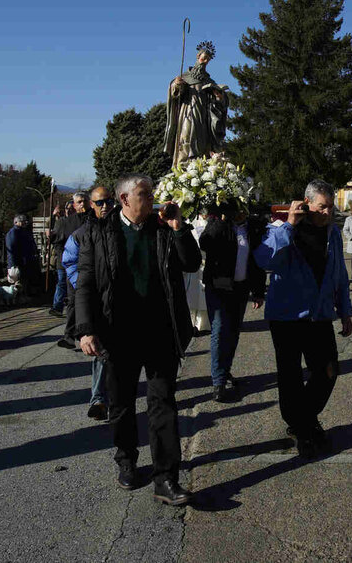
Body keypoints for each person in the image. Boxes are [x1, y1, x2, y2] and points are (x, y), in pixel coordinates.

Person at [75, 174, 201, 506]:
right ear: (125, 199)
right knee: (121, 405)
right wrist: (86, 329)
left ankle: (166, 478)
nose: (153, 198)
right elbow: (85, 283)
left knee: (163, 405)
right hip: (119, 334)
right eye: (145, 194)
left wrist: (179, 227)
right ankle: (127, 459)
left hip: (160, 332)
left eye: (151, 192)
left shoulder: (164, 229)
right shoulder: (99, 233)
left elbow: (192, 263)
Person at [253, 179, 352, 459]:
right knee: (290, 376)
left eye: (330, 208)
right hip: (286, 317)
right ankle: (303, 427)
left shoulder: (333, 233)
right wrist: (288, 225)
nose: (326, 213)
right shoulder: (283, 227)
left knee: (328, 369)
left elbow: (339, 275)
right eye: (322, 207)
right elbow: (264, 260)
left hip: (319, 314)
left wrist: (344, 310)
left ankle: (303, 421)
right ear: (307, 204)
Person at [198, 202, 267, 402]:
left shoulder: (253, 228)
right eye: (235, 209)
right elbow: (205, 244)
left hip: (241, 288)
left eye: (243, 209)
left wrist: (258, 291)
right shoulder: (218, 224)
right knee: (219, 330)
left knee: (234, 331)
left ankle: (225, 369)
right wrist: (218, 220)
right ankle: (218, 381)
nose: (240, 213)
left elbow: (257, 261)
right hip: (218, 286)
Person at [63, 186, 116, 420]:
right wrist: (83, 284)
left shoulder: (121, 230)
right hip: (93, 299)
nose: (105, 206)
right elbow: (70, 263)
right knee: (100, 351)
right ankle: (99, 398)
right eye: (99, 202)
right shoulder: (82, 233)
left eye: (108, 201)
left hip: (116, 301)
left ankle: (107, 397)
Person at [163, 40, 229, 167]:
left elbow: (218, 104)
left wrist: (219, 98)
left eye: (208, 60)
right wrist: (177, 85)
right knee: (187, 137)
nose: (205, 62)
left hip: (204, 116)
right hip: (188, 112)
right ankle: (183, 169)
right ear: (198, 57)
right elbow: (175, 94)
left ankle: (200, 170)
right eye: (204, 58)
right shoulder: (185, 77)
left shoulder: (209, 81)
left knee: (203, 142)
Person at [49, 191, 89, 319]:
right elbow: (57, 241)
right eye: (79, 202)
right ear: (74, 205)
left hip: (89, 264)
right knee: (68, 291)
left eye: (84, 201)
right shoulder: (65, 223)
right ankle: (59, 309)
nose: (82, 204)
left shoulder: (95, 219)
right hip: (70, 263)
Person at [5, 213, 39, 295]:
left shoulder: (24, 231)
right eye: (22, 221)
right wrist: (13, 264)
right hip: (19, 262)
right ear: (16, 222)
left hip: (27, 261)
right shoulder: (13, 233)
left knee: (26, 281)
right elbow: (12, 249)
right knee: (19, 283)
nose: (24, 223)